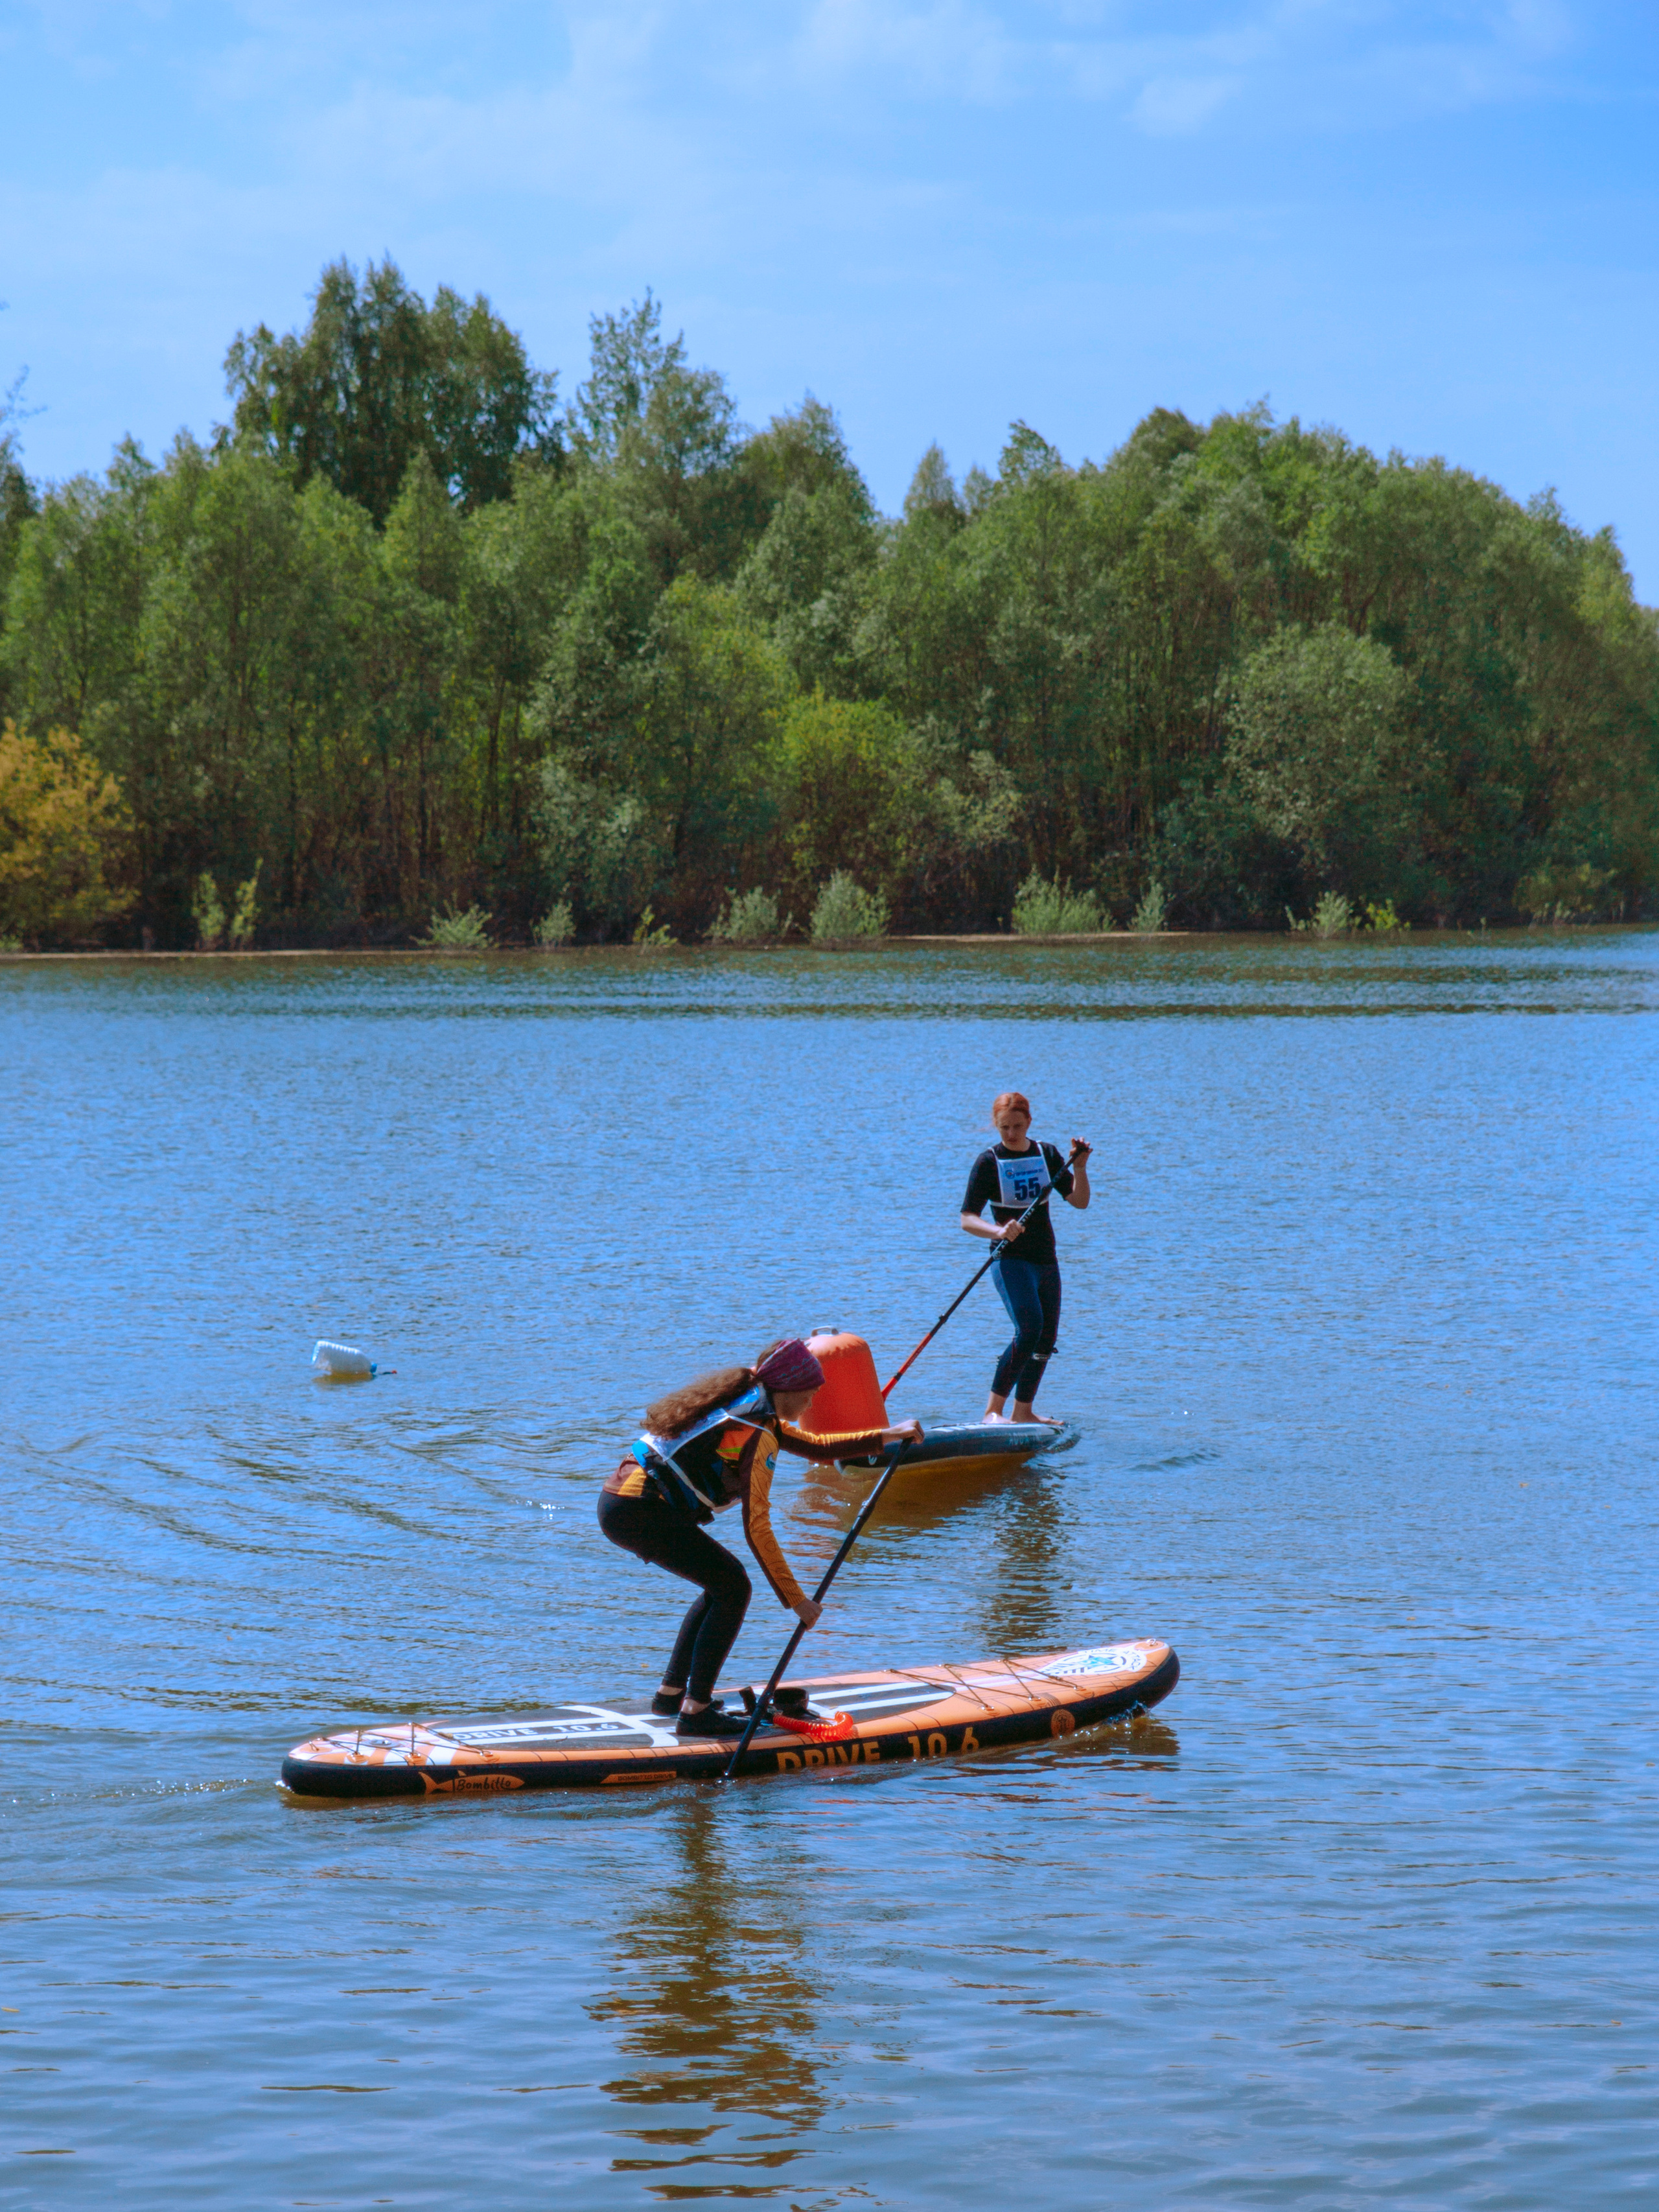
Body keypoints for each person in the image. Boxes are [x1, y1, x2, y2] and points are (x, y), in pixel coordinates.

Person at [599, 1337, 922, 1740]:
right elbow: (757, 1526)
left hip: (624, 1503)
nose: (813, 1402)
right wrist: (796, 1599)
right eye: (810, 1393)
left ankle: (671, 1696)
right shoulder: (756, 1429)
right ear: (786, 1389)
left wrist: (889, 1435)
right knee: (733, 1586)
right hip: (640, 1509)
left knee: (720, 1586)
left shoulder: (752, 1406)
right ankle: (696, 1712)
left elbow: (816, 1447)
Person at [960, 1091, 1092, 1426]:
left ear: (1029, 1122)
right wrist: (998, 1231)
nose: (1012, 1134)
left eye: (1018, 1127)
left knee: (1047, 1336)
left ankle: (1023, 1411)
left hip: (1045, 1258)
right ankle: (993, 1412)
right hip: (1010, 1260)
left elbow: (1079, 1201)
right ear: (996, 1125)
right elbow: (967, 1219)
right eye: (1005, 1128)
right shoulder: (989, 1162)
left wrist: (1079, 1168)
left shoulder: (1046, 1154)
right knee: (1029, 1328)